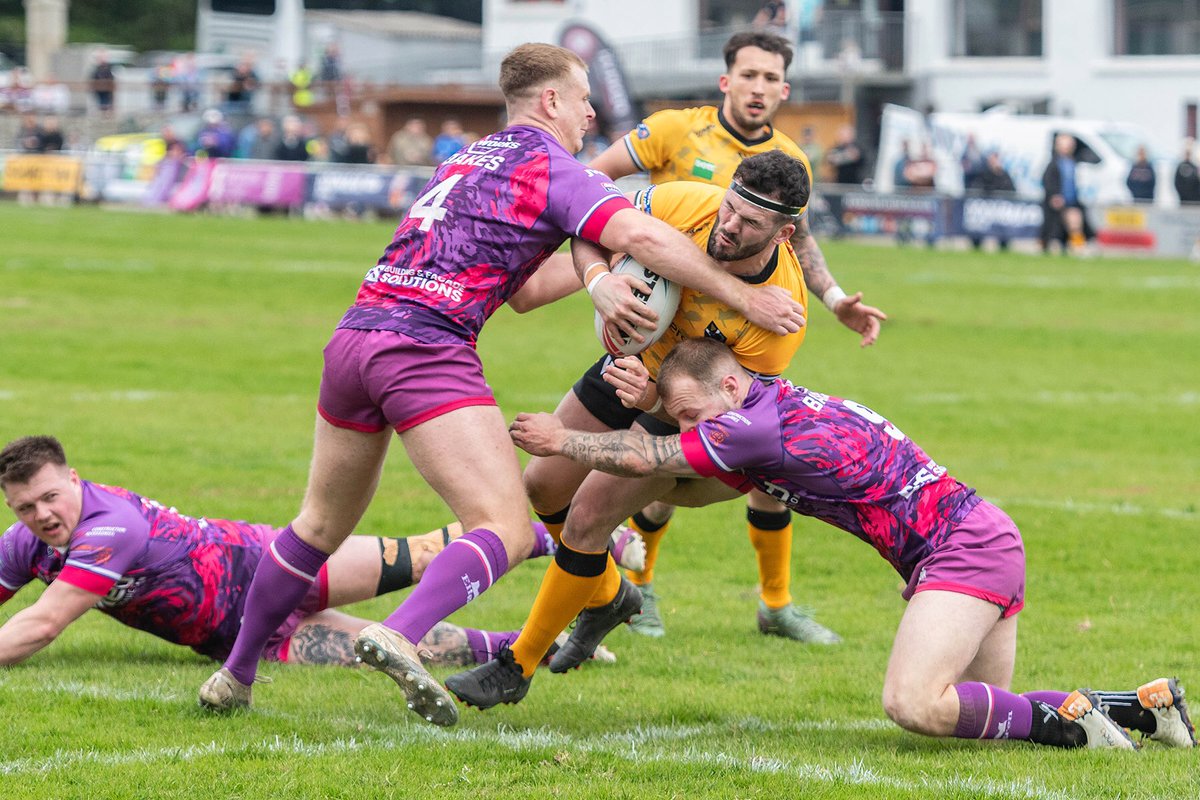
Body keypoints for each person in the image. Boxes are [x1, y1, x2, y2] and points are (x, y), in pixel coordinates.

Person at [197, 42, 804, 725]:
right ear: (550, 102)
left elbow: (525, 290)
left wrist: (599, 283)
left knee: (318, 524)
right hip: (424, 347)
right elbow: (648, 238)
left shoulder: (469, 156)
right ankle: (400, 632)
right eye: (581, 100)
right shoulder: (553, 167)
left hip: (355, 334)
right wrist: (741, 297)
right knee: (509, 526)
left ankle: (235, 674)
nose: (591, 112)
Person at [450, 338, 1197, 754]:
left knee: (913, 704)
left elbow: (652, 463)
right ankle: (1140, 708)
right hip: (978, 538)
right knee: (977, 719)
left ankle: (1075, 732)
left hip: (964, 549)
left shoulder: (751, 424)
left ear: (732, 387)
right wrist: (654, 410)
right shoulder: (769, 405)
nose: (684, 427)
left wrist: (564, 440)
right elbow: (686, 481)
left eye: (687, 412)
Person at [483, 150, 840, 690]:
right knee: (542, 488)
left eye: (750, 224)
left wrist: (651, 401)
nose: (730, 226)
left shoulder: (780, 317)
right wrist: (603, 282)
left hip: (680, 413)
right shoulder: (687, 203)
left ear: (784, 233)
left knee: (586, 519)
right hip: (628, 367)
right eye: (730, 208)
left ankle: (516, 667)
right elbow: (589, 227)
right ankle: (608, 597)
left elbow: (719, 431)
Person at [581, 31, 886, 642]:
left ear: (784, 90)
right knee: (656, 476)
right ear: (727, 81)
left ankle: (775, 605)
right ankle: (639, 591)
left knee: (769, 471)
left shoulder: (789, 162)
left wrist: (832, 299)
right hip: (657, 325)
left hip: (739, 336)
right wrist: (612, 268)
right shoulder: (675, 131)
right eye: (749, 75)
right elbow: (592, 181)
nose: (759, 88)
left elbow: (796, 242)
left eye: (771, 79)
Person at [0, 435, 590, 671]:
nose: (43, 515)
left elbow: (43, 623)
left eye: (50, 497)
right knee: (386, 649)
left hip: (271, 566)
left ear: (74, 480)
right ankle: (548, 645)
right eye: (26, 508)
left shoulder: (110, 526)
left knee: (426, 553)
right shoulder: (27, 544)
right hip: (236, 638)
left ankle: (566, 537)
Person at [1041, 133, 1093, 254]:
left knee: (1076, 223)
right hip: (1059, 201)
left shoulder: (1072, 162)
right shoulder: (1054, 163)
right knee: (1064, 225)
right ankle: (1075, 247)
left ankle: (1077, 246)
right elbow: (1047, 181)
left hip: (1071, 200)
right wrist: (1054, 195)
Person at [966, 151, 1016, 251]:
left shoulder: (1004, 175)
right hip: (986, 208)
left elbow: (1011, 188)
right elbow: (980, 187)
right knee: (979, 228)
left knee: (1003, 230)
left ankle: (1003, 245)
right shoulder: (983, 173)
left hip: (1001, 208)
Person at [1173, 139, 1200, 205]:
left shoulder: (1195, 167)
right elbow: (1177, 183)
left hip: (1195, 201)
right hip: (1184, 200)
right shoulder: (1180, 166)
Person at [90, 51, 115, 117]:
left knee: (106, 101)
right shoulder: (97, 68)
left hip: (106, 89)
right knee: (102, 101)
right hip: (99, 89)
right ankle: (103, 113)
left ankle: (105, 113)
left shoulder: (108, 67)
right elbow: (94, 77)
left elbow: (111, 77)